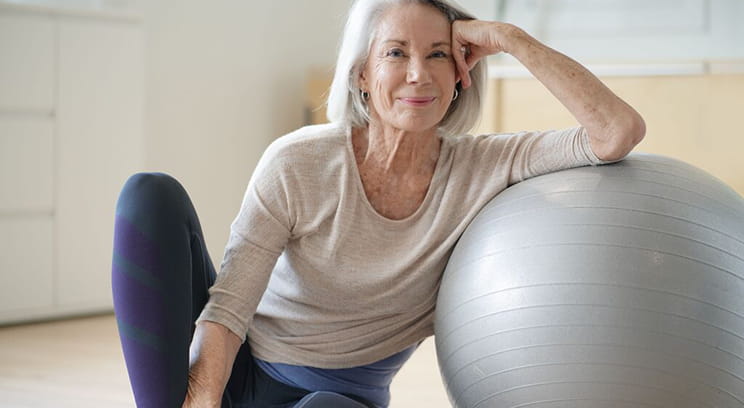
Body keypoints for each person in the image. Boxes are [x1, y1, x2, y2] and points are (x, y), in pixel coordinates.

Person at [111, 0, 645, 407]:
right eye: (396, 53)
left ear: (461, 75)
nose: (418, 73)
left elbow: (615, 132)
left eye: (439, 54)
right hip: (236, 367)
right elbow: (229, 308)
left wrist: (510, 38)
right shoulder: (299, 162)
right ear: (362, 74)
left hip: (337, 399)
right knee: (148, 195)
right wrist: (204, 397)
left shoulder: (486, 166)